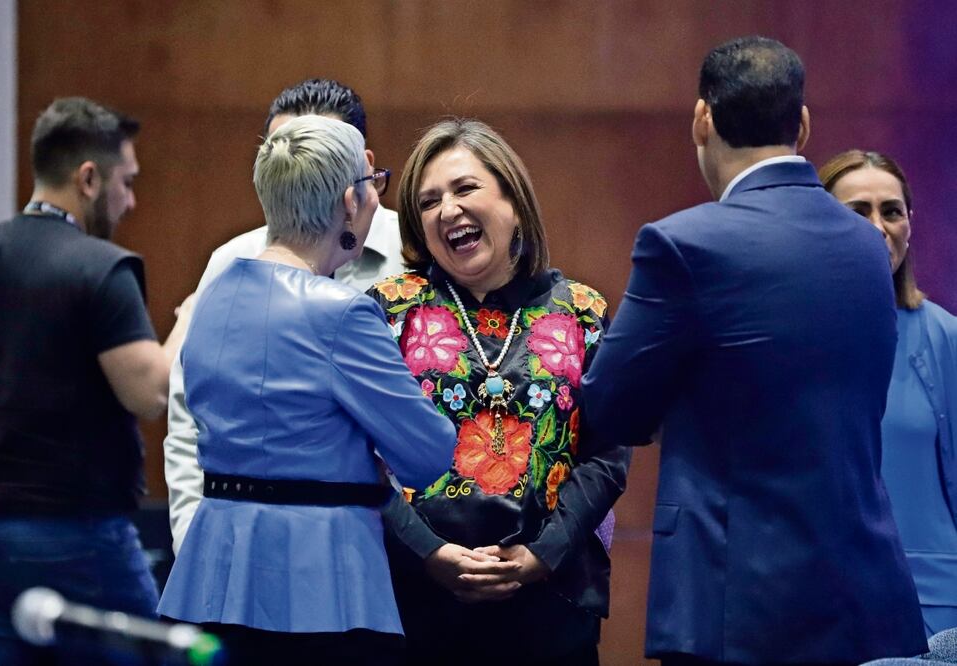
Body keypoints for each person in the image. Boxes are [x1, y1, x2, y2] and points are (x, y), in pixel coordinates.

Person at [582, 36, 927, 664]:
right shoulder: (866, 247)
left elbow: (611, 410)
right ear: (801, 124)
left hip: (734, 602)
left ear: (702, 119)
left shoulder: (682, 244)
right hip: (864, 597)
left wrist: (684, 387)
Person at [157, 114, 455, 665]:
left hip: (211, 568)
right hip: (322, 583)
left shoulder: (213, 295)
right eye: (372, 185)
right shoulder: (342, 314)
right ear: (349, 200)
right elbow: (428, 455)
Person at [365, 118, 630, 665]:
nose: (447, 211)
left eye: (465, 189)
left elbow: (607, 454)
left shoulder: (582, 310)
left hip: (550, 602)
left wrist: (542, 554)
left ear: (512, 200)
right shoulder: (386, 309)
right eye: (429, 201)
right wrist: (430, 552)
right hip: (413, 600)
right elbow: (355, 455)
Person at [0, 97, 177, 665]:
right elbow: (149, 394)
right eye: (125, 182)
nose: (129, 200)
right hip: (72, 533)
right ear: (88, 178)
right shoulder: (101, 268)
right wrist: (190, 318)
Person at [164, 78, 406, 551]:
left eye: (321, 163)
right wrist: (194, 537)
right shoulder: (230, 263)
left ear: (365, 168)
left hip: (402, 552)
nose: (303, 180)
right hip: (250, 543)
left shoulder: (416, 250)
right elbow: (189, 418)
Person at [820, 150, 957, 638]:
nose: (877, 226)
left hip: (932, 613)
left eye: (891, 211)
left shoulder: (947, 338)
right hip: (818, 605)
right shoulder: (792, 334)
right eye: (857, 212)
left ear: (910, 224)